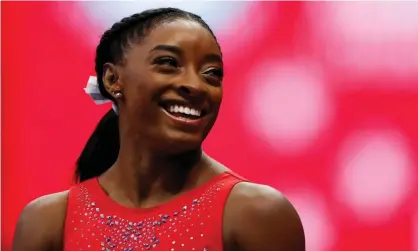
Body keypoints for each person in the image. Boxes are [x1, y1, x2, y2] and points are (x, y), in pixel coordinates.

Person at [12, 7, 305, 251]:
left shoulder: (256, 214)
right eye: (168, 63)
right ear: (113, 79)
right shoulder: (48, 222)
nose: (195, 85)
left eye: (212, 73)